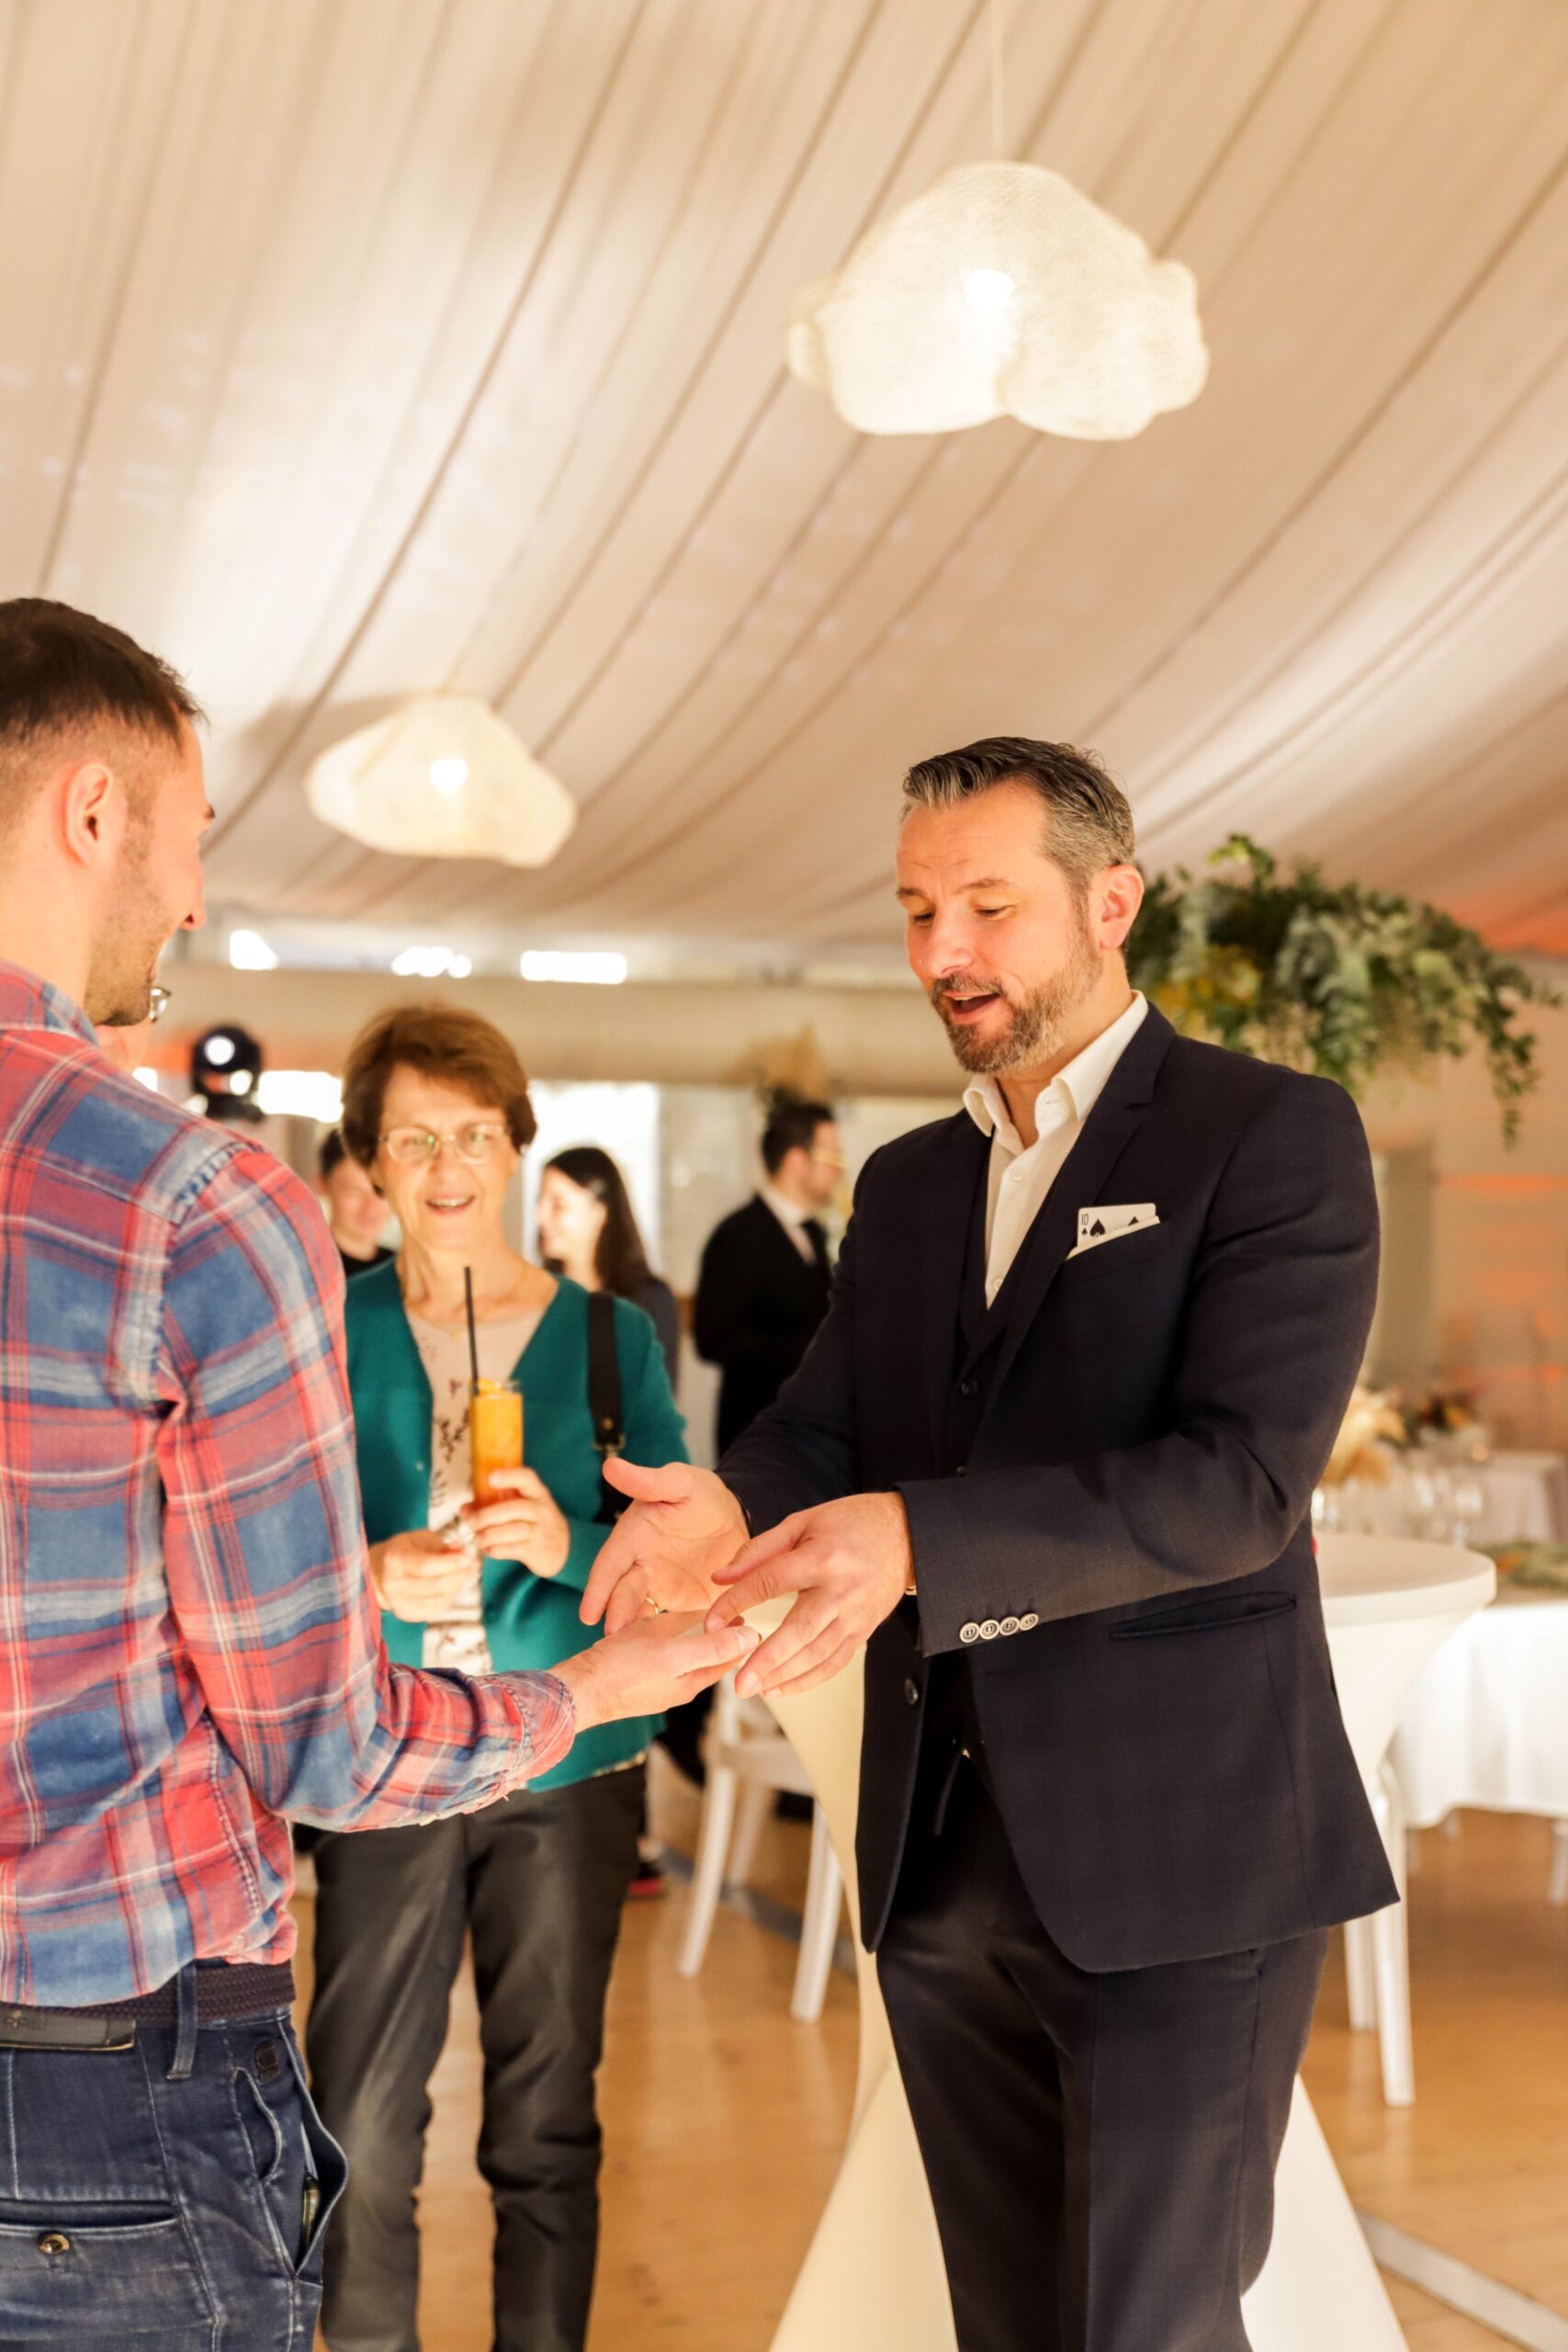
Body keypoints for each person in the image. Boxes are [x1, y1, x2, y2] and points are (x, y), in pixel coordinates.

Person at [0, 596, 756, 2352]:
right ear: (96, 814)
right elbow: (317, 1736)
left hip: (503, 1805)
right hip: (113, 2045)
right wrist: (596, 1677)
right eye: (189, 841)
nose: (191, 899)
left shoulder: (595, 1324)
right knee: (380, 2111)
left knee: (539, 2119)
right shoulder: (193, 1206)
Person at [583, 736, 1396, 2352]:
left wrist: (917, 1543)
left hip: (1176, 1864)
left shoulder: (1270, 1136)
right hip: (941, 1854)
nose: (941, 954)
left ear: (1113, 902)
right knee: (1006, 2327)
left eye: (986, 907)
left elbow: (1236, 1484)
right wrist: (733, 1504)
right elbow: (825, 1419)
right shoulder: (903, 1184)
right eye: (912, 911)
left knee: (1146, 2327)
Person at [306, 1008, 690, 2352]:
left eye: (475, 1135)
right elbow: (255, 1539)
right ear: (370, 1161)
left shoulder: (608, 1341)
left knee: (540, 2124)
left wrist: (568, 1539)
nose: (448, 1166)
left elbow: (683, 1569)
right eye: (415, 1139)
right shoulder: (321, 1323)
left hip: (566, 1764)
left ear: (517, 1147)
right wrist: (363, 1574)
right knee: (352, 2124)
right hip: (385, 1763)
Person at [693, 1097, 841, 1456]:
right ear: (795, 1160)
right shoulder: (738, 1234)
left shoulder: (814, 1234)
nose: (840, 1170)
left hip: (813, 1434)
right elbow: (712, 1339)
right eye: (832, 1158)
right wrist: (810, 1348)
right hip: (756, 1435)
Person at [536, 1144, 680, 1389]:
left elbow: (657, 1409)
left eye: (558, 1205)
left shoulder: (650, 1301)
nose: (540, 1217)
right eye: (540, 1203)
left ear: (600, 1212)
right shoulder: (538, 1296)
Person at [317, 1122, 396, 1279]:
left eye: (381, 1191)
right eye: (354, 1191)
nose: (370, 1206)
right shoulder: (308, 1268)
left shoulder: (402, 1270)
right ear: (322, 1185)